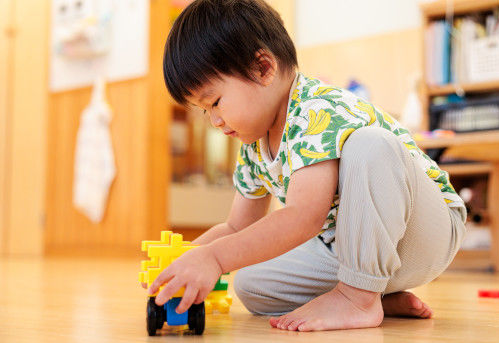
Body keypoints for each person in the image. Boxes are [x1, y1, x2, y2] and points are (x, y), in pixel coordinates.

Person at [146, 0, 467, 332]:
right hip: (350, 248)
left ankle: (357, 298)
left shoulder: (315, 109)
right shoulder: (253, 145)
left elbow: (304, 216)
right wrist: (185, 258)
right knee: (252, 285)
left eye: (215, 102)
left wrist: (214, 259)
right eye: (203, 110)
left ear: (262, 68)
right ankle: (377, 294)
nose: (214, 120)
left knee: (371, 143)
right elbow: (236, 229)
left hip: (424, 230)